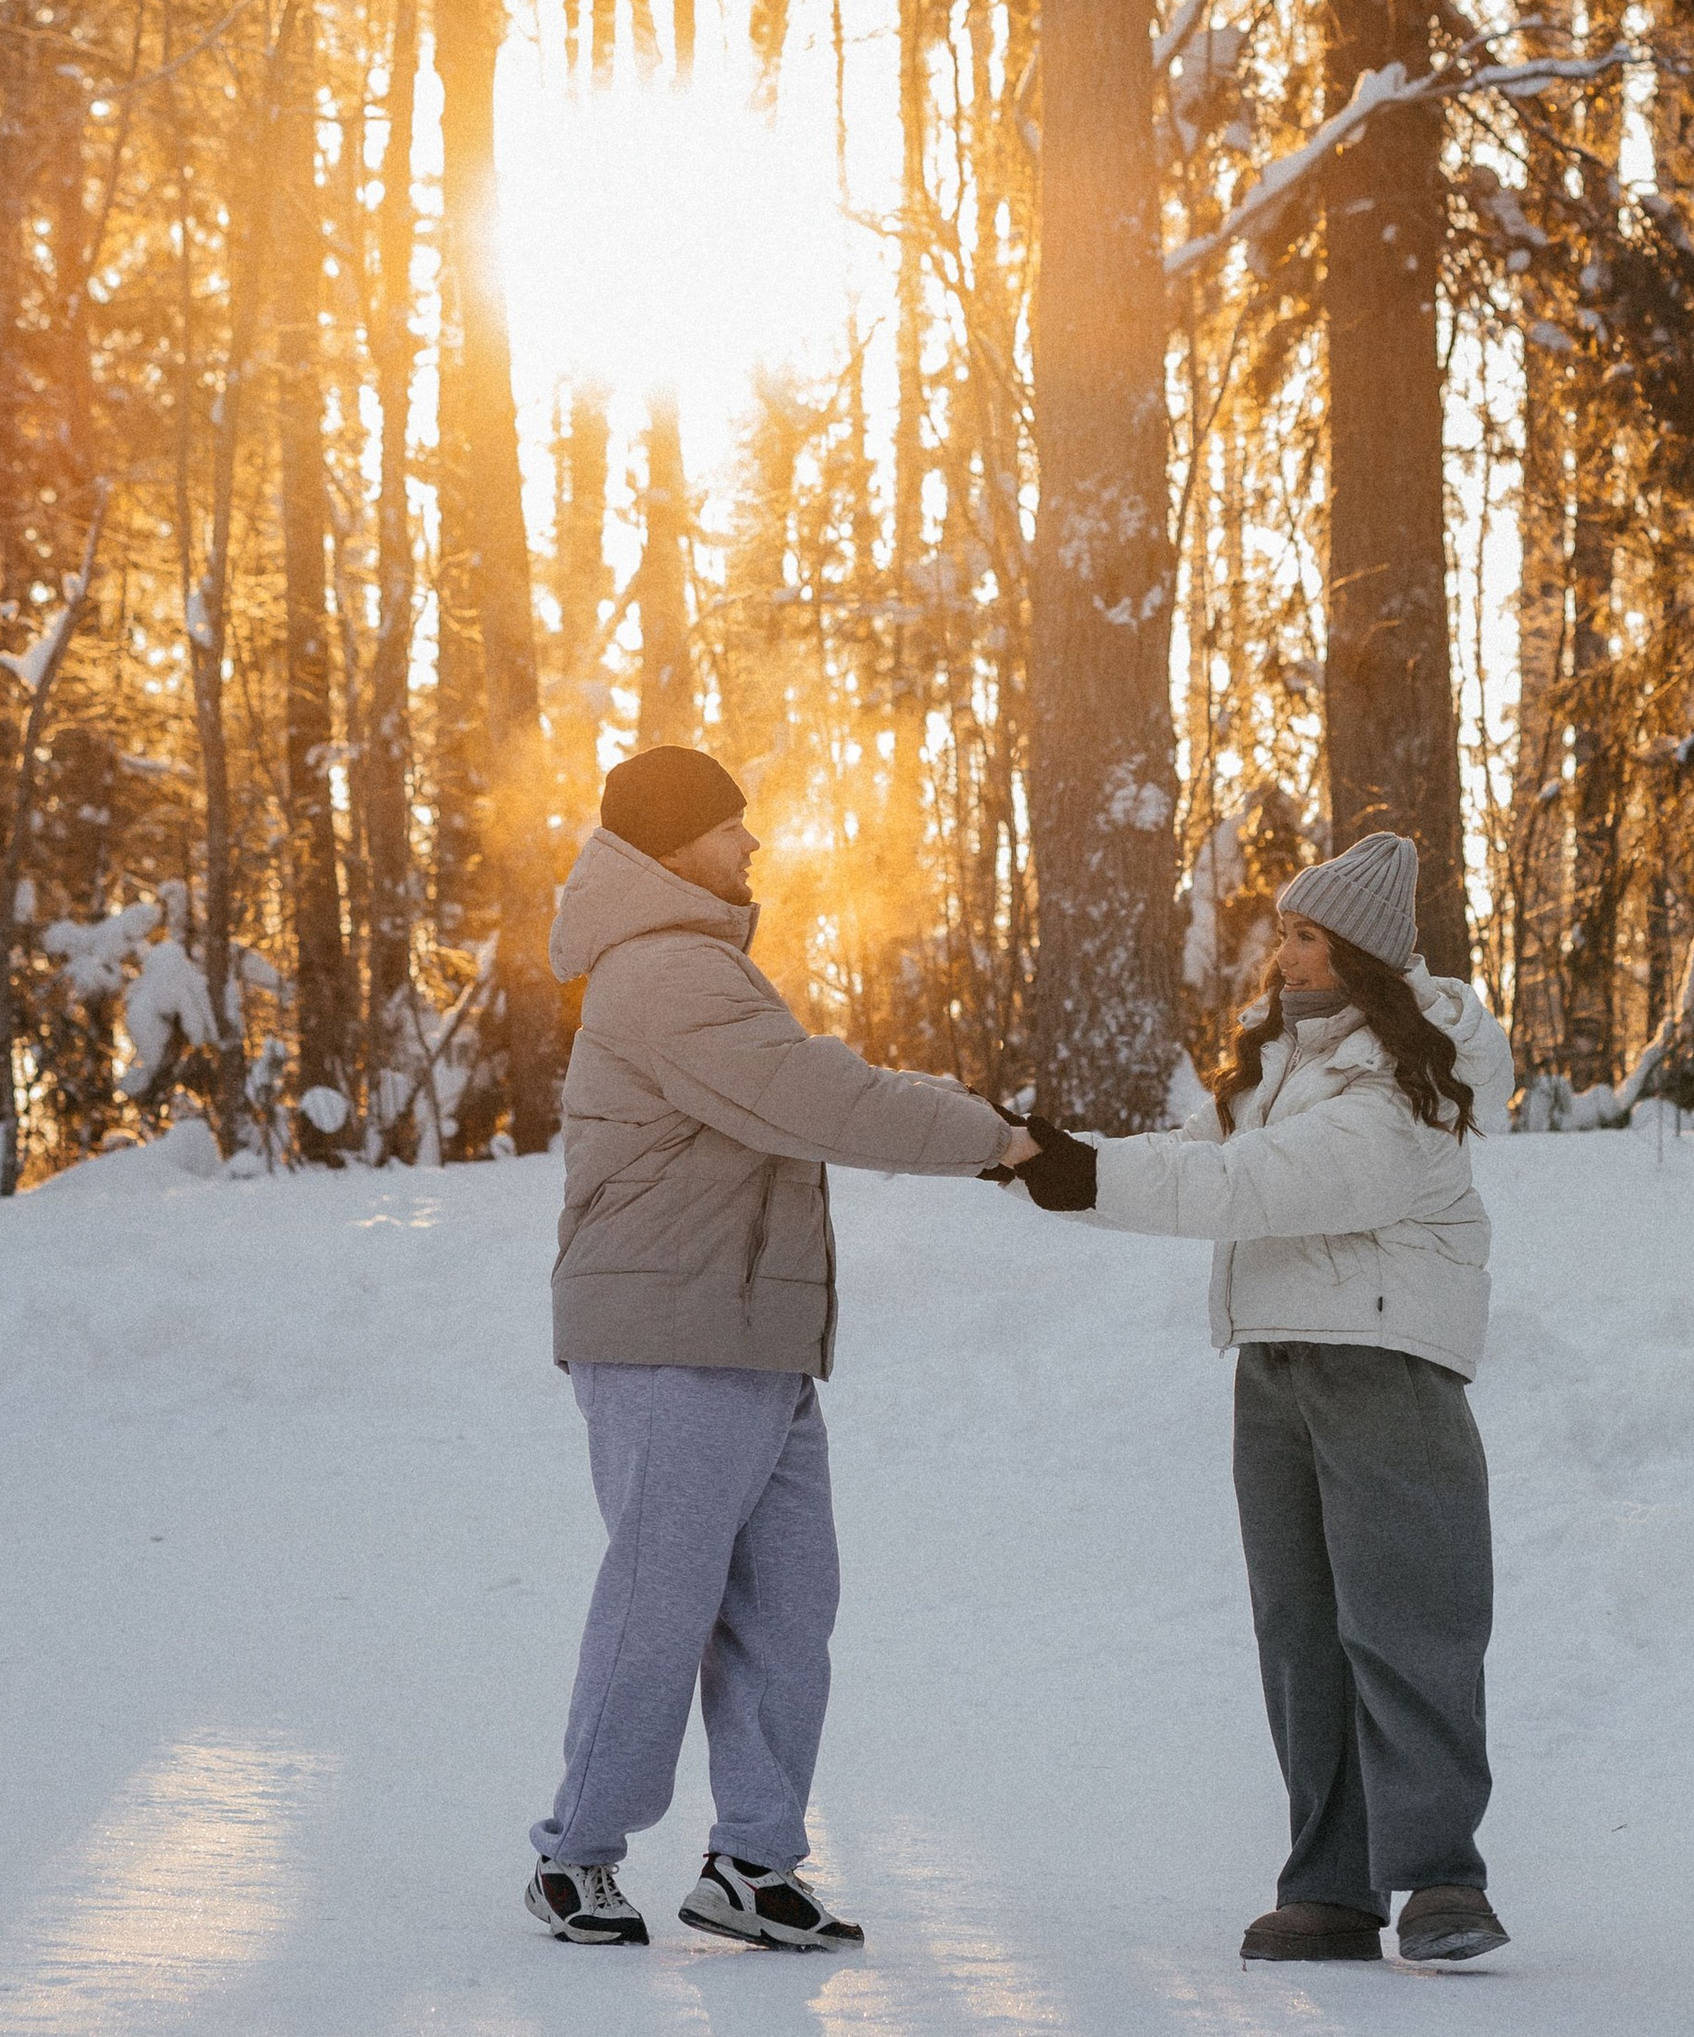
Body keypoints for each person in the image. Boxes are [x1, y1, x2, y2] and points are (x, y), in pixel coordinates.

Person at [527, 744, 1035, 1950]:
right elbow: (815, 1096)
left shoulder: (695, 963)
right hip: (669, 1333)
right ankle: (576, 1857)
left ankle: (752, 1863)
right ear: (668, 844)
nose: (752, 844)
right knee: (663, 1599)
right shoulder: (661, 973)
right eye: (728, 826)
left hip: (748, 1333)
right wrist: (998, 1140)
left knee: (787, 1604)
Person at [1007, 832, 1514, 1967]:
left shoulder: (1408, 1074)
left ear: (1361, 954)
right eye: (1281, 932)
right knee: (1300, 1631)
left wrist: (1081, 1173)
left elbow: (1267, 1183)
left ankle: (1440, 1880)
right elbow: (1193, 1156)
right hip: (1276, 1360)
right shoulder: (1282, 1062)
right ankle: (1330, 1885)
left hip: (1383, 1359)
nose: (1278, 955)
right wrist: (1049, 1160)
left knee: (1406, 1621)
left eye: (1302, 935)